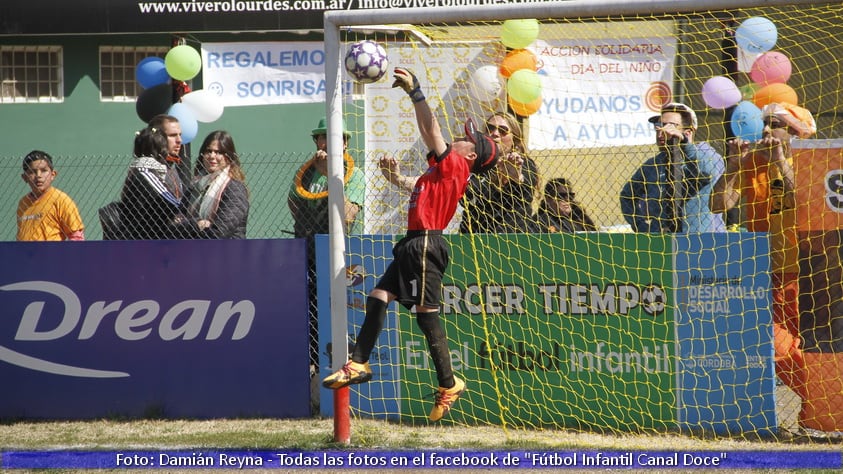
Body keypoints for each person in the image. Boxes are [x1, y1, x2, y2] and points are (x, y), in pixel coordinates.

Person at [323, 67, 500, 422]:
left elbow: (429, 129)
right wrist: (394, 178)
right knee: (377, 297)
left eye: (468, 140)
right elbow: (420, 189)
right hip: (411, 244)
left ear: (470, 156)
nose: (460, 138)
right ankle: (358, 364)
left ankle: (449, 384)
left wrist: (415, 92)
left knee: (425, 317)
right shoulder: (441, 171)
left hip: (426, 246)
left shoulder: (456, 167)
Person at [709, 101, 817, 406]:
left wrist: (781, 162)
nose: (766, 130)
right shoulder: (753, 163)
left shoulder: (812, 161)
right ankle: (819, 403)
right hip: (767, 274)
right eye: (764, 123)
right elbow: (718, 205)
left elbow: (805, 204)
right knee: (773, 344)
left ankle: (823, 409)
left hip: (809, 274)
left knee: (815, 349)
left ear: (795, 133)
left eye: (775, 124)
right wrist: (732, 165)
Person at [288, 117, 366, 376]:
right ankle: (311, 363)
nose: (326, 141)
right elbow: (294, 202)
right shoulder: (306, 171)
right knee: (306, 307)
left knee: (332, 308)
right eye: (322, 137)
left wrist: (328, 175)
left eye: (334, 137)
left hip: (335, 252)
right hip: (306, 249)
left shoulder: (355, 174)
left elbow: (348, 214)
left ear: (345, 144)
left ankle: (339, 362)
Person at [619, 102, 719, 233]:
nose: (661, 131)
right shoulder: (653, 164)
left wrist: (684, 143)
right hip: (661, 240)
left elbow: (709, 171)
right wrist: (641, 226)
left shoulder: (706, 153)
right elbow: (627, 195)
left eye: (670, 126)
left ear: (687, 132)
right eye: (659, 126)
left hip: (700, 241)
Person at [119, 126, 185, 240]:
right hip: (147, 238)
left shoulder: (140, 171)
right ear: (160, 150)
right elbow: (168, 200)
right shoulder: (144, 171)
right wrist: (190, 217)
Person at [182, 130, 250, 239]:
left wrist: (187, 231)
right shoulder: (195, 185)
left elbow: (219, 232)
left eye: (219, 152)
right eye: (208, 151)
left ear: (228, 157)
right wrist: (196, 225)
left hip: (227, 252)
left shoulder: (234, 188)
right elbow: (174, 224)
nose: (212, 156)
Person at [16, 150, 85, 241]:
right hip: (25, 255)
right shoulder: (23, 203)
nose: (38, 176)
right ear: (24, 177)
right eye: (32, 172)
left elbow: (76, 237)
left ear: (53, 175)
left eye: (44, 170)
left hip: (52, 255)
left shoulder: (61, 200)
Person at [148, 114, 190, 201]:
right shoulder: (148, 168)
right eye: (173, 135)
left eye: (180, 135)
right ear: (158, 137)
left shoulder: (171, 166)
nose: (179, 140)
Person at [532, 178, 597, 233]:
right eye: (561, 196)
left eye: (570, 195)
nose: (567, 199)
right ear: (548, 199)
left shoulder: (579, 217)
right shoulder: (540, 221)